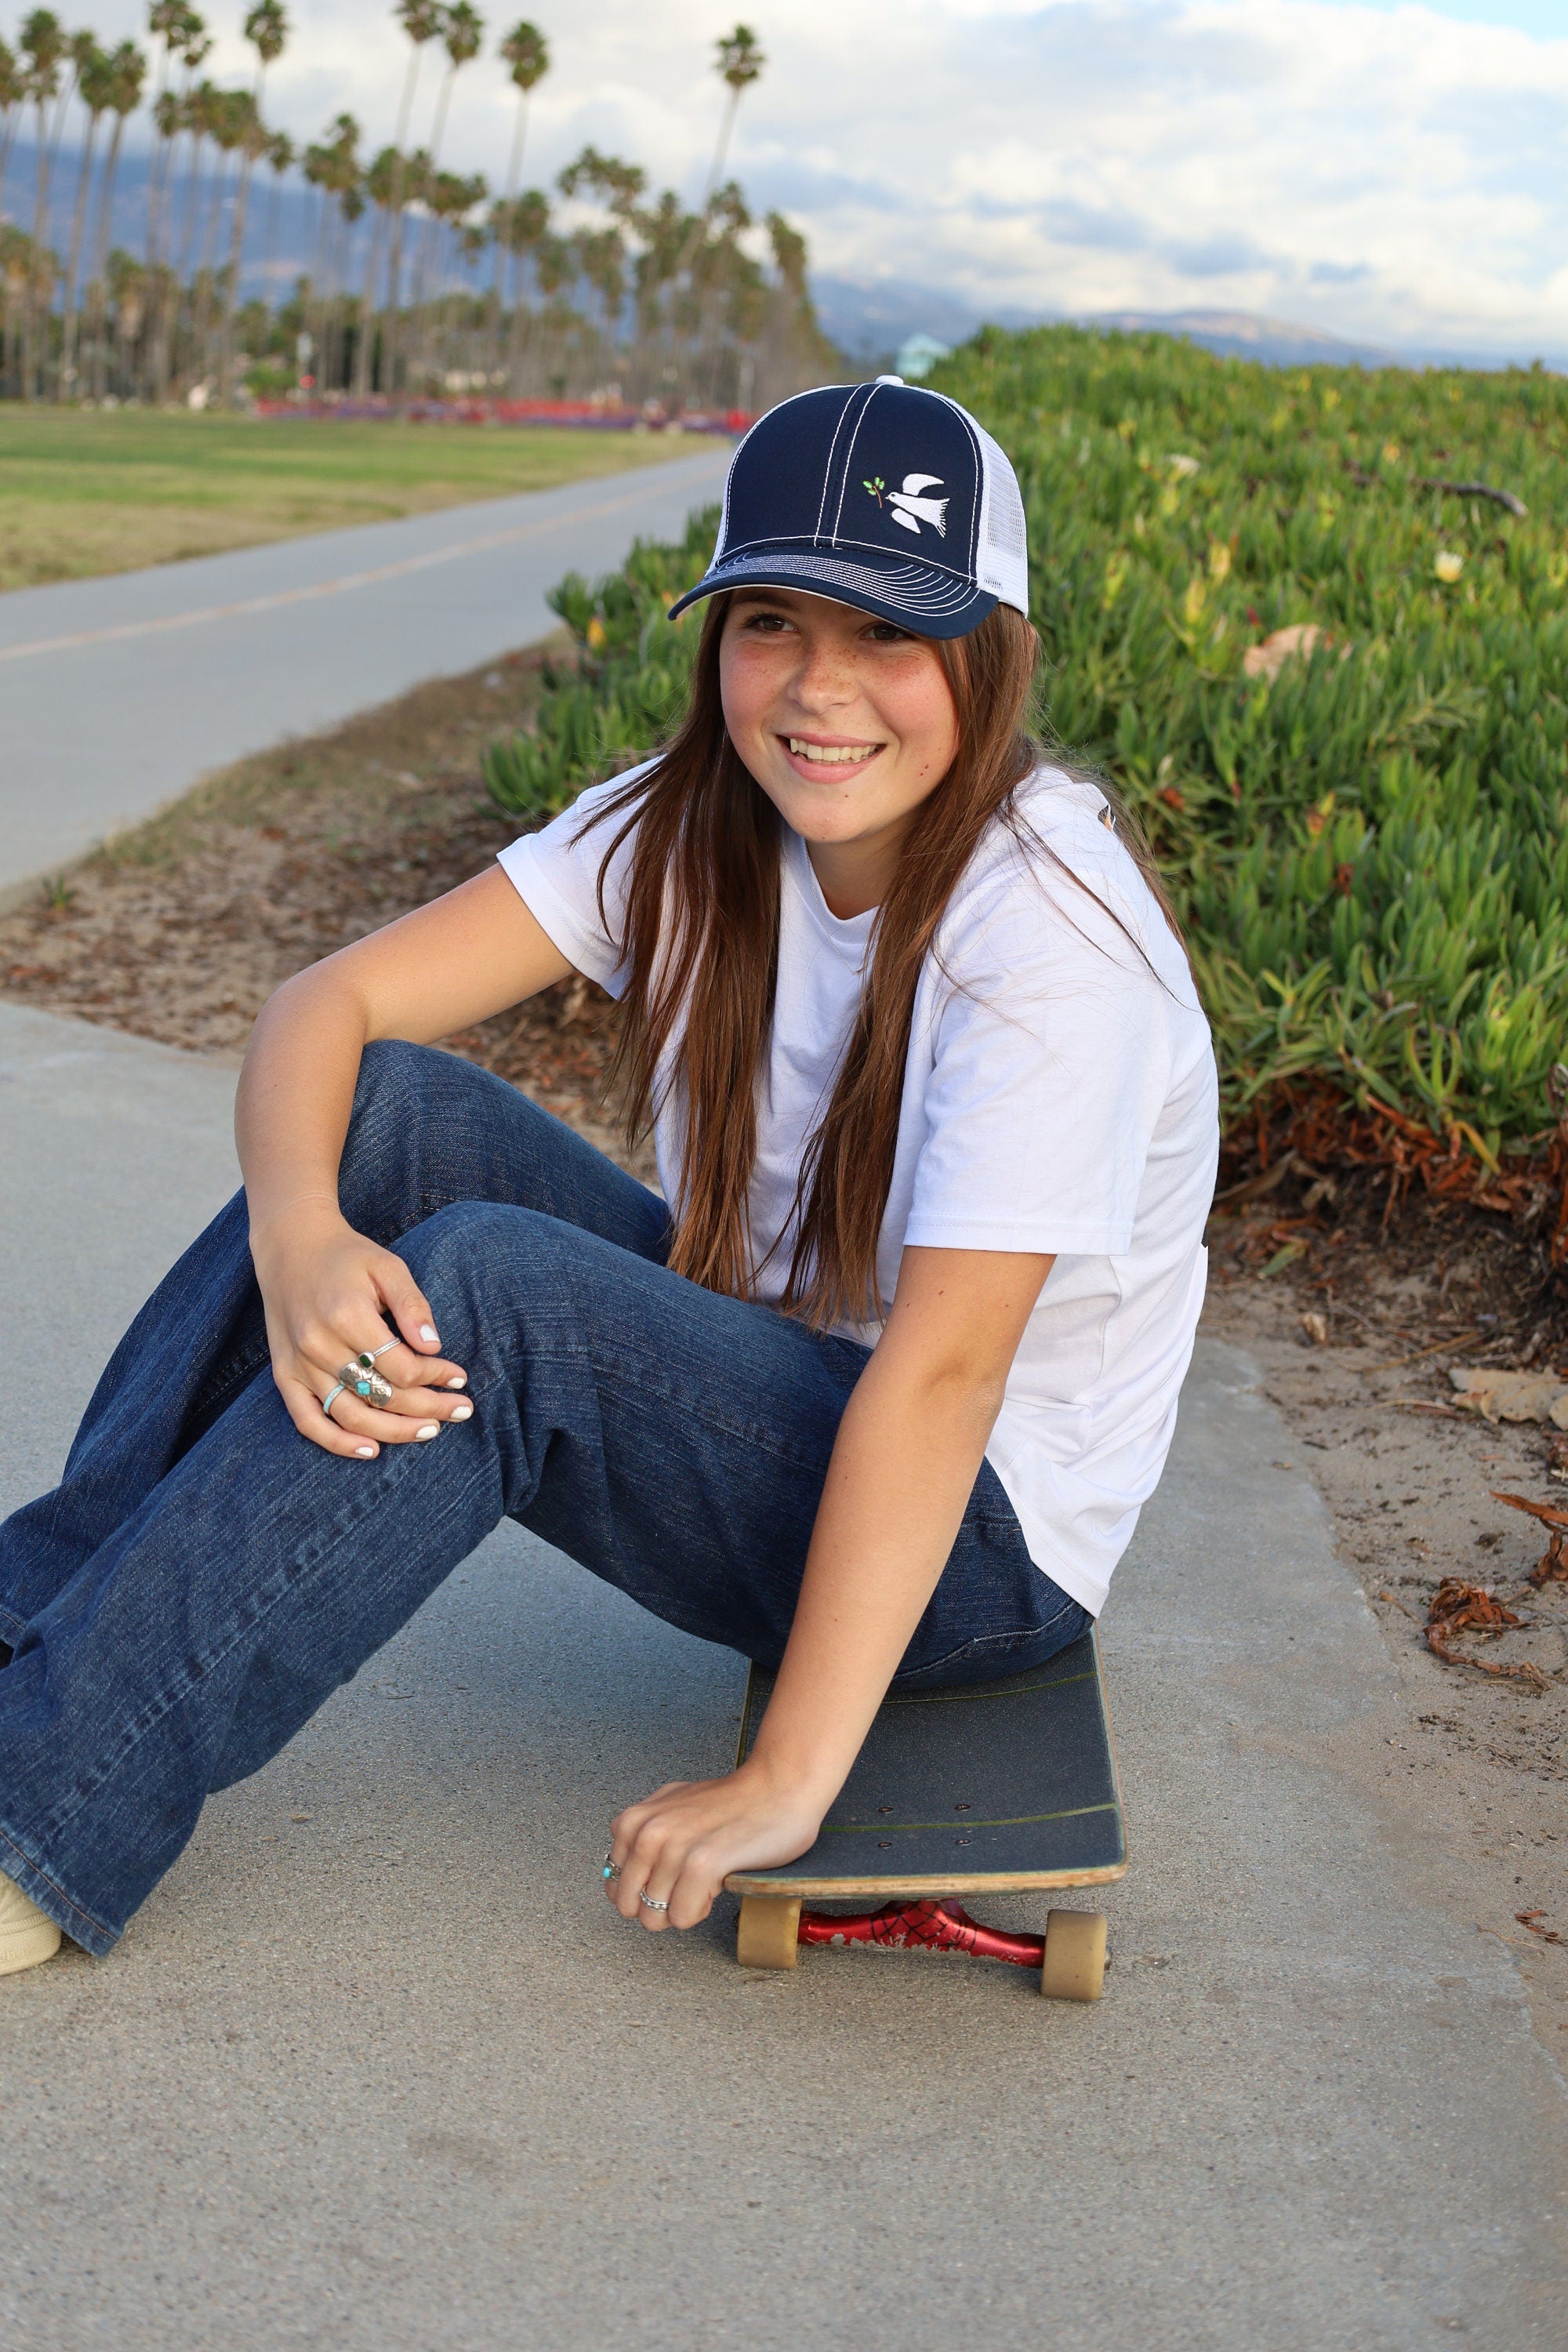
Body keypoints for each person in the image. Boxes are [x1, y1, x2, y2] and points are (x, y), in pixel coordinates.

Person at [0, 378, 1218, 1979]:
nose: (819, 689)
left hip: (976, 1545)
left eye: (887, 634)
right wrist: (303, 1233)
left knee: (503, 1294)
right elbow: (330, 1008)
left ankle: (44, 1810)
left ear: (993, 653)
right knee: (391, 1118)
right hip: (792, 1383)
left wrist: (790, 1776)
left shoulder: (1049, 940)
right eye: (772, 622)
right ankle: (35, 1627)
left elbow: (938, 1383)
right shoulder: (701, 826)